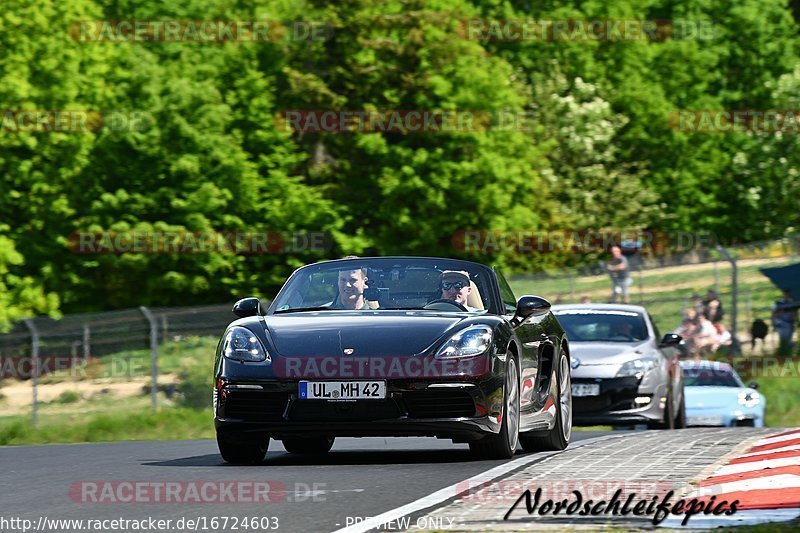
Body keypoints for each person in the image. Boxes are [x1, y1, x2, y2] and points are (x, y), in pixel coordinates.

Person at [772, 289, 798, 356]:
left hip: (789, 325)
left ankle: (788, 353)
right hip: (781, 325)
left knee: (789, 340)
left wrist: (795, 320)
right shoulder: (778, 303)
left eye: (788, 294)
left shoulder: (792, 303)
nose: (786, 295)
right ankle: (784, 354)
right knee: (783, 340)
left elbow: (795, 314)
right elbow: (774, 314)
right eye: (785, 294)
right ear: (783, 294)